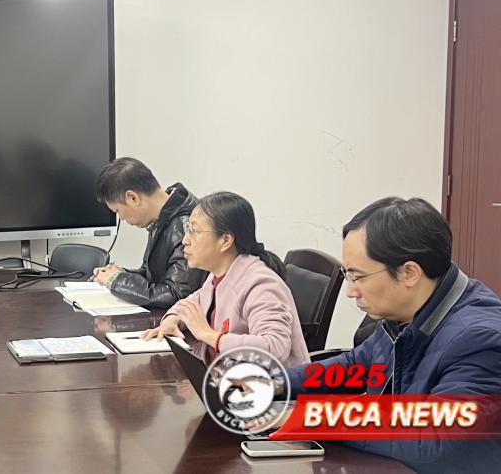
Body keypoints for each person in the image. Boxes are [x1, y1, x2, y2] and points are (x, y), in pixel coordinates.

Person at [284, 197, 501, 473]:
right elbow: (354, 367)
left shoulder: (479, 339)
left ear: (409, 272)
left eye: (358, 277)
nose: (350, 291)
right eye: (348, 275)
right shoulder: (408, 311)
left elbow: (436, 442)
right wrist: (272, 384)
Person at [142, 192, 309, 368]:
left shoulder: (262, 285)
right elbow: (192, 303)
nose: (185, 240)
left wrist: (208, 335)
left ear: (225, 240)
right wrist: (172, 319)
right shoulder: (220, 274)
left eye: (194, 231)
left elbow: (274, 348)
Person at [91, 157, 205, 308]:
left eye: (118, 211)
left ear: (132, 198)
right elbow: (154, 276)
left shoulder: (185, 227)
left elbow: (176, 294)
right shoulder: (163, 218)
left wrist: (116, 281)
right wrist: (119, 274)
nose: (122, 219)